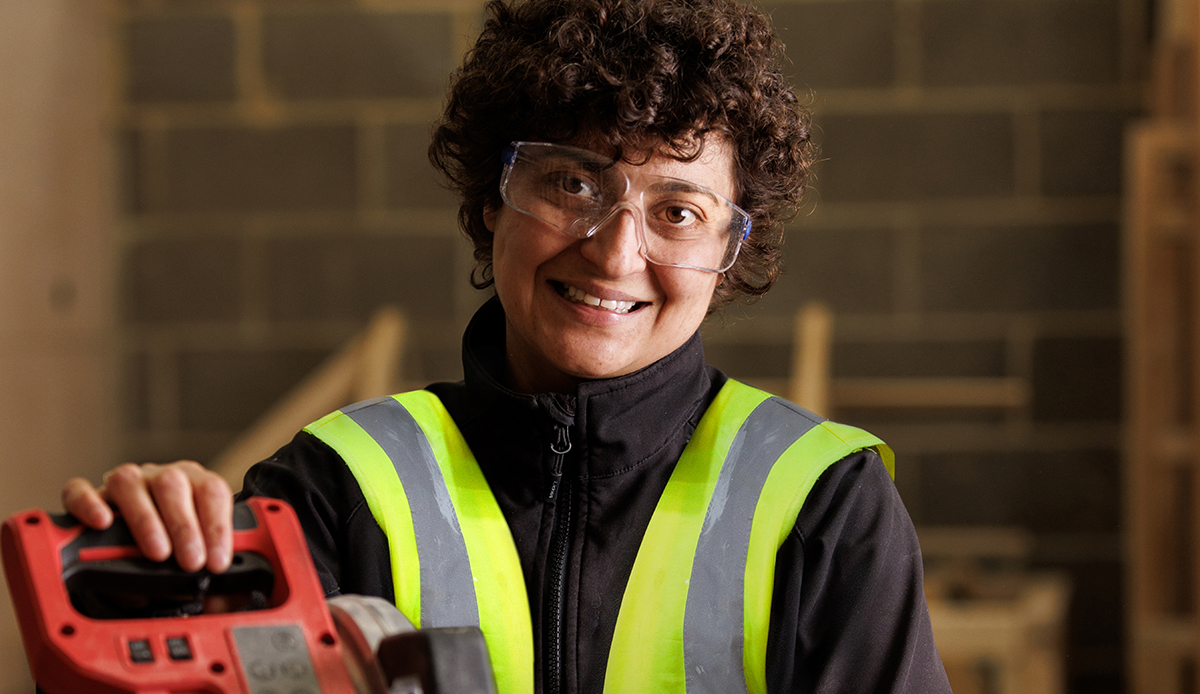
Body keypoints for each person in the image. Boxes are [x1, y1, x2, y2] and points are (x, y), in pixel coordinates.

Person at [63, 0, 952, 692]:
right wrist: (144, 581)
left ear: (729, 254)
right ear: (492, 198)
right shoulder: (333, 489)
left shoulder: (823, 505)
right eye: (572, 182)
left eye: (678, 211)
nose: (614, 252)